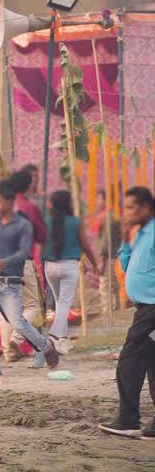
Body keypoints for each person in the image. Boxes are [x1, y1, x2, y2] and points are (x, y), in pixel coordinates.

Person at [0, 184, 60, 375]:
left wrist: (7, 262)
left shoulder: (23, 226)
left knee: (18, 323)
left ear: (9, 202)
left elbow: (25, 251)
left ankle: (46, 347)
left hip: (11, 285)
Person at [99, 187, 155, 438]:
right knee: (152, 362)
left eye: (131, 207)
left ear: (146, 208)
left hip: (153, 309)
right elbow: (126, 264)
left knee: (130, 361)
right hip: (144, 307)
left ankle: (128, 419)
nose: (127, 213)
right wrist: (124, 237)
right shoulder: (142, 233)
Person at [43, 190, 100, 346]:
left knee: (59, 302)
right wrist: (93, 263)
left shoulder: (45, 221)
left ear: (52, 204)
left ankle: (63, 338)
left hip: (50, 267)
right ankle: (54, 337)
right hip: (69, 266)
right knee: (63, 304)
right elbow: (84, 245)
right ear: (68, 203)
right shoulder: (75, 222)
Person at [3, 169, 48, 362]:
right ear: (28, 185)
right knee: (32, 305)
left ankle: (7, 351)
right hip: (23, 261)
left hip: (0, 262)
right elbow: (42, 235)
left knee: (4, 306)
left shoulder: (1, 205)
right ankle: (16, 339)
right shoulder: (28, 207)